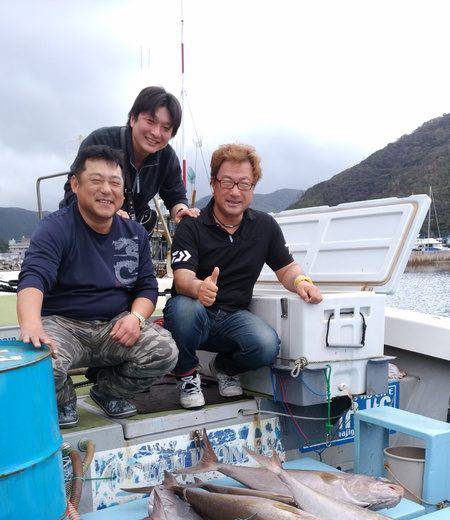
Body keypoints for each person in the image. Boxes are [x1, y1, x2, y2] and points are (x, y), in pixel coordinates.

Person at [17, 144, 178, 428]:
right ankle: (64, 398)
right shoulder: (56, 228)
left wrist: (136, 317)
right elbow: (33, 277)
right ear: (75, 184)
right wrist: (31, 326)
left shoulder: (134, 233)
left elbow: (147, 287)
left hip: (112, 327)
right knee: (38, 365)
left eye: (115, 182)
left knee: (165, 350)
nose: (106, 189)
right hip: (63, 324)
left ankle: (107, 392)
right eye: (96, 180)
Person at [163, 143, 322, 409]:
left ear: (253, 187)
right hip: (195, 313)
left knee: (267, 345)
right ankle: (188, 375)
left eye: (244, 184)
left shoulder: (265, 226)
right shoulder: (191, 225)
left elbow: (286, 269)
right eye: (227, 182)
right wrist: (198, 287)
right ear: (213, 184)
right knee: (184, 310)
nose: (235, 192)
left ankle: (224, 368)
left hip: (232, 317)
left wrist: (301, 283)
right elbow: (181, 279)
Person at [61, 86, 199, 228]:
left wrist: (182, 212)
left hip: (127, 232)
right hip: (83, 226)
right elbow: (72, 191)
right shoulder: (100, 141)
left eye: (166, 128)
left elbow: (176, 196)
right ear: (133, 118)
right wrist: (108, 214)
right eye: (150, 121)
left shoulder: (167, 157)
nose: (156, 133)